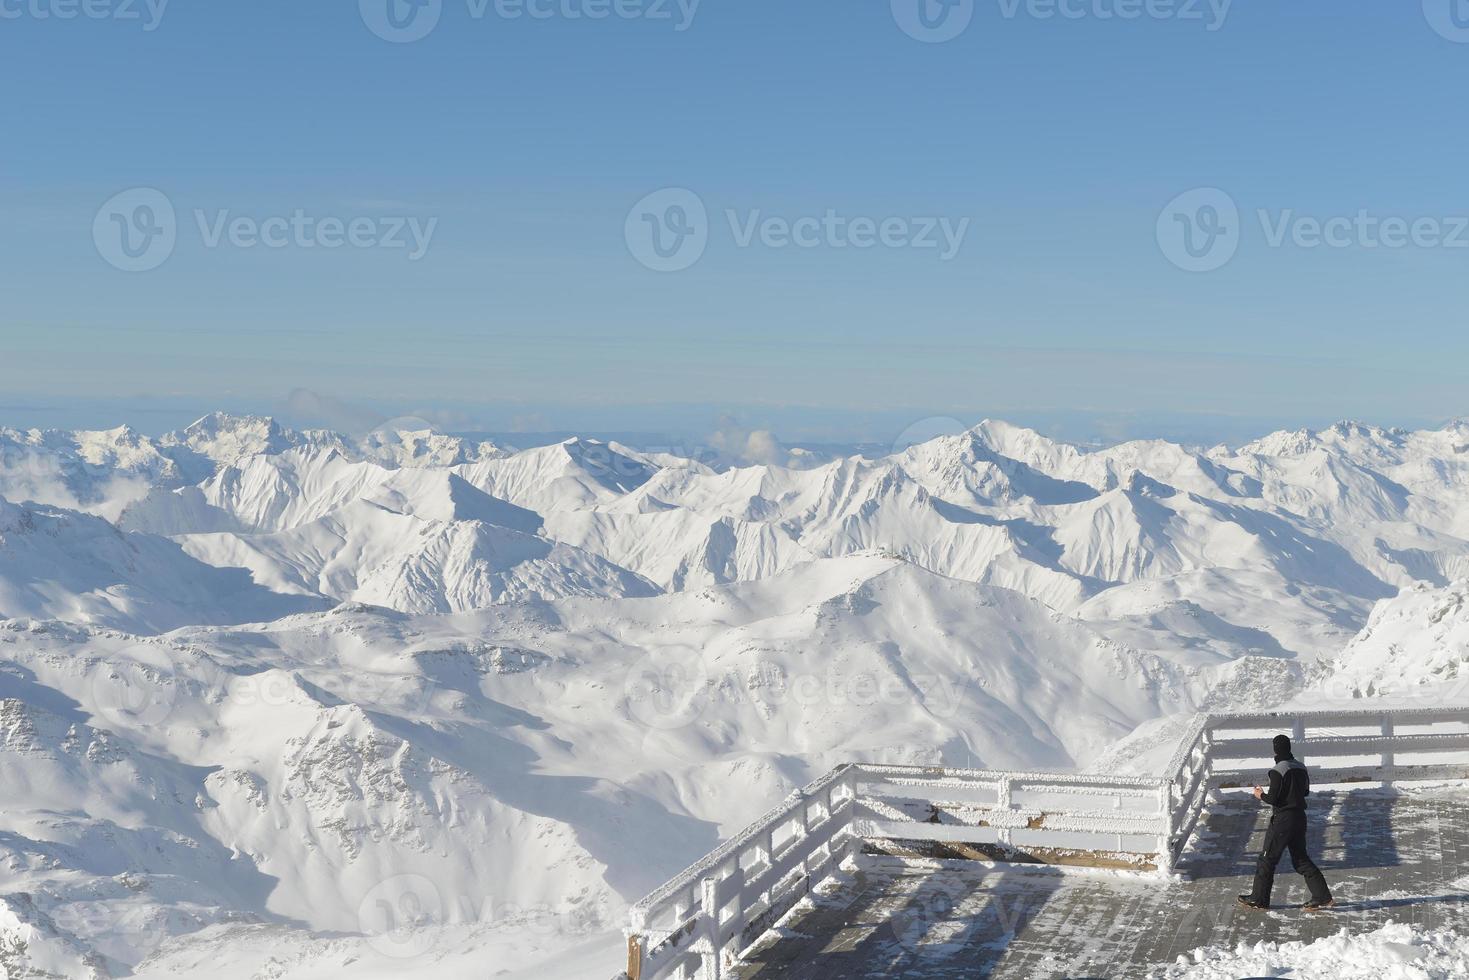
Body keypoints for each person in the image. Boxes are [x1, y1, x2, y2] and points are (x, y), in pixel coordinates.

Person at [1236, 734, 1335, 912]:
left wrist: (1260, 795)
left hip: (1283, 820)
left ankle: (1259, 899)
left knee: (1267, 859)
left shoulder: (1277, 770)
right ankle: (1323, 896)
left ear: (1275, 749)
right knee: (1300, 859)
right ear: (1289, 747)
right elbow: (1305, 792)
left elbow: (1273, 798)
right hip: (1299, 818)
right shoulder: (1301, 766)